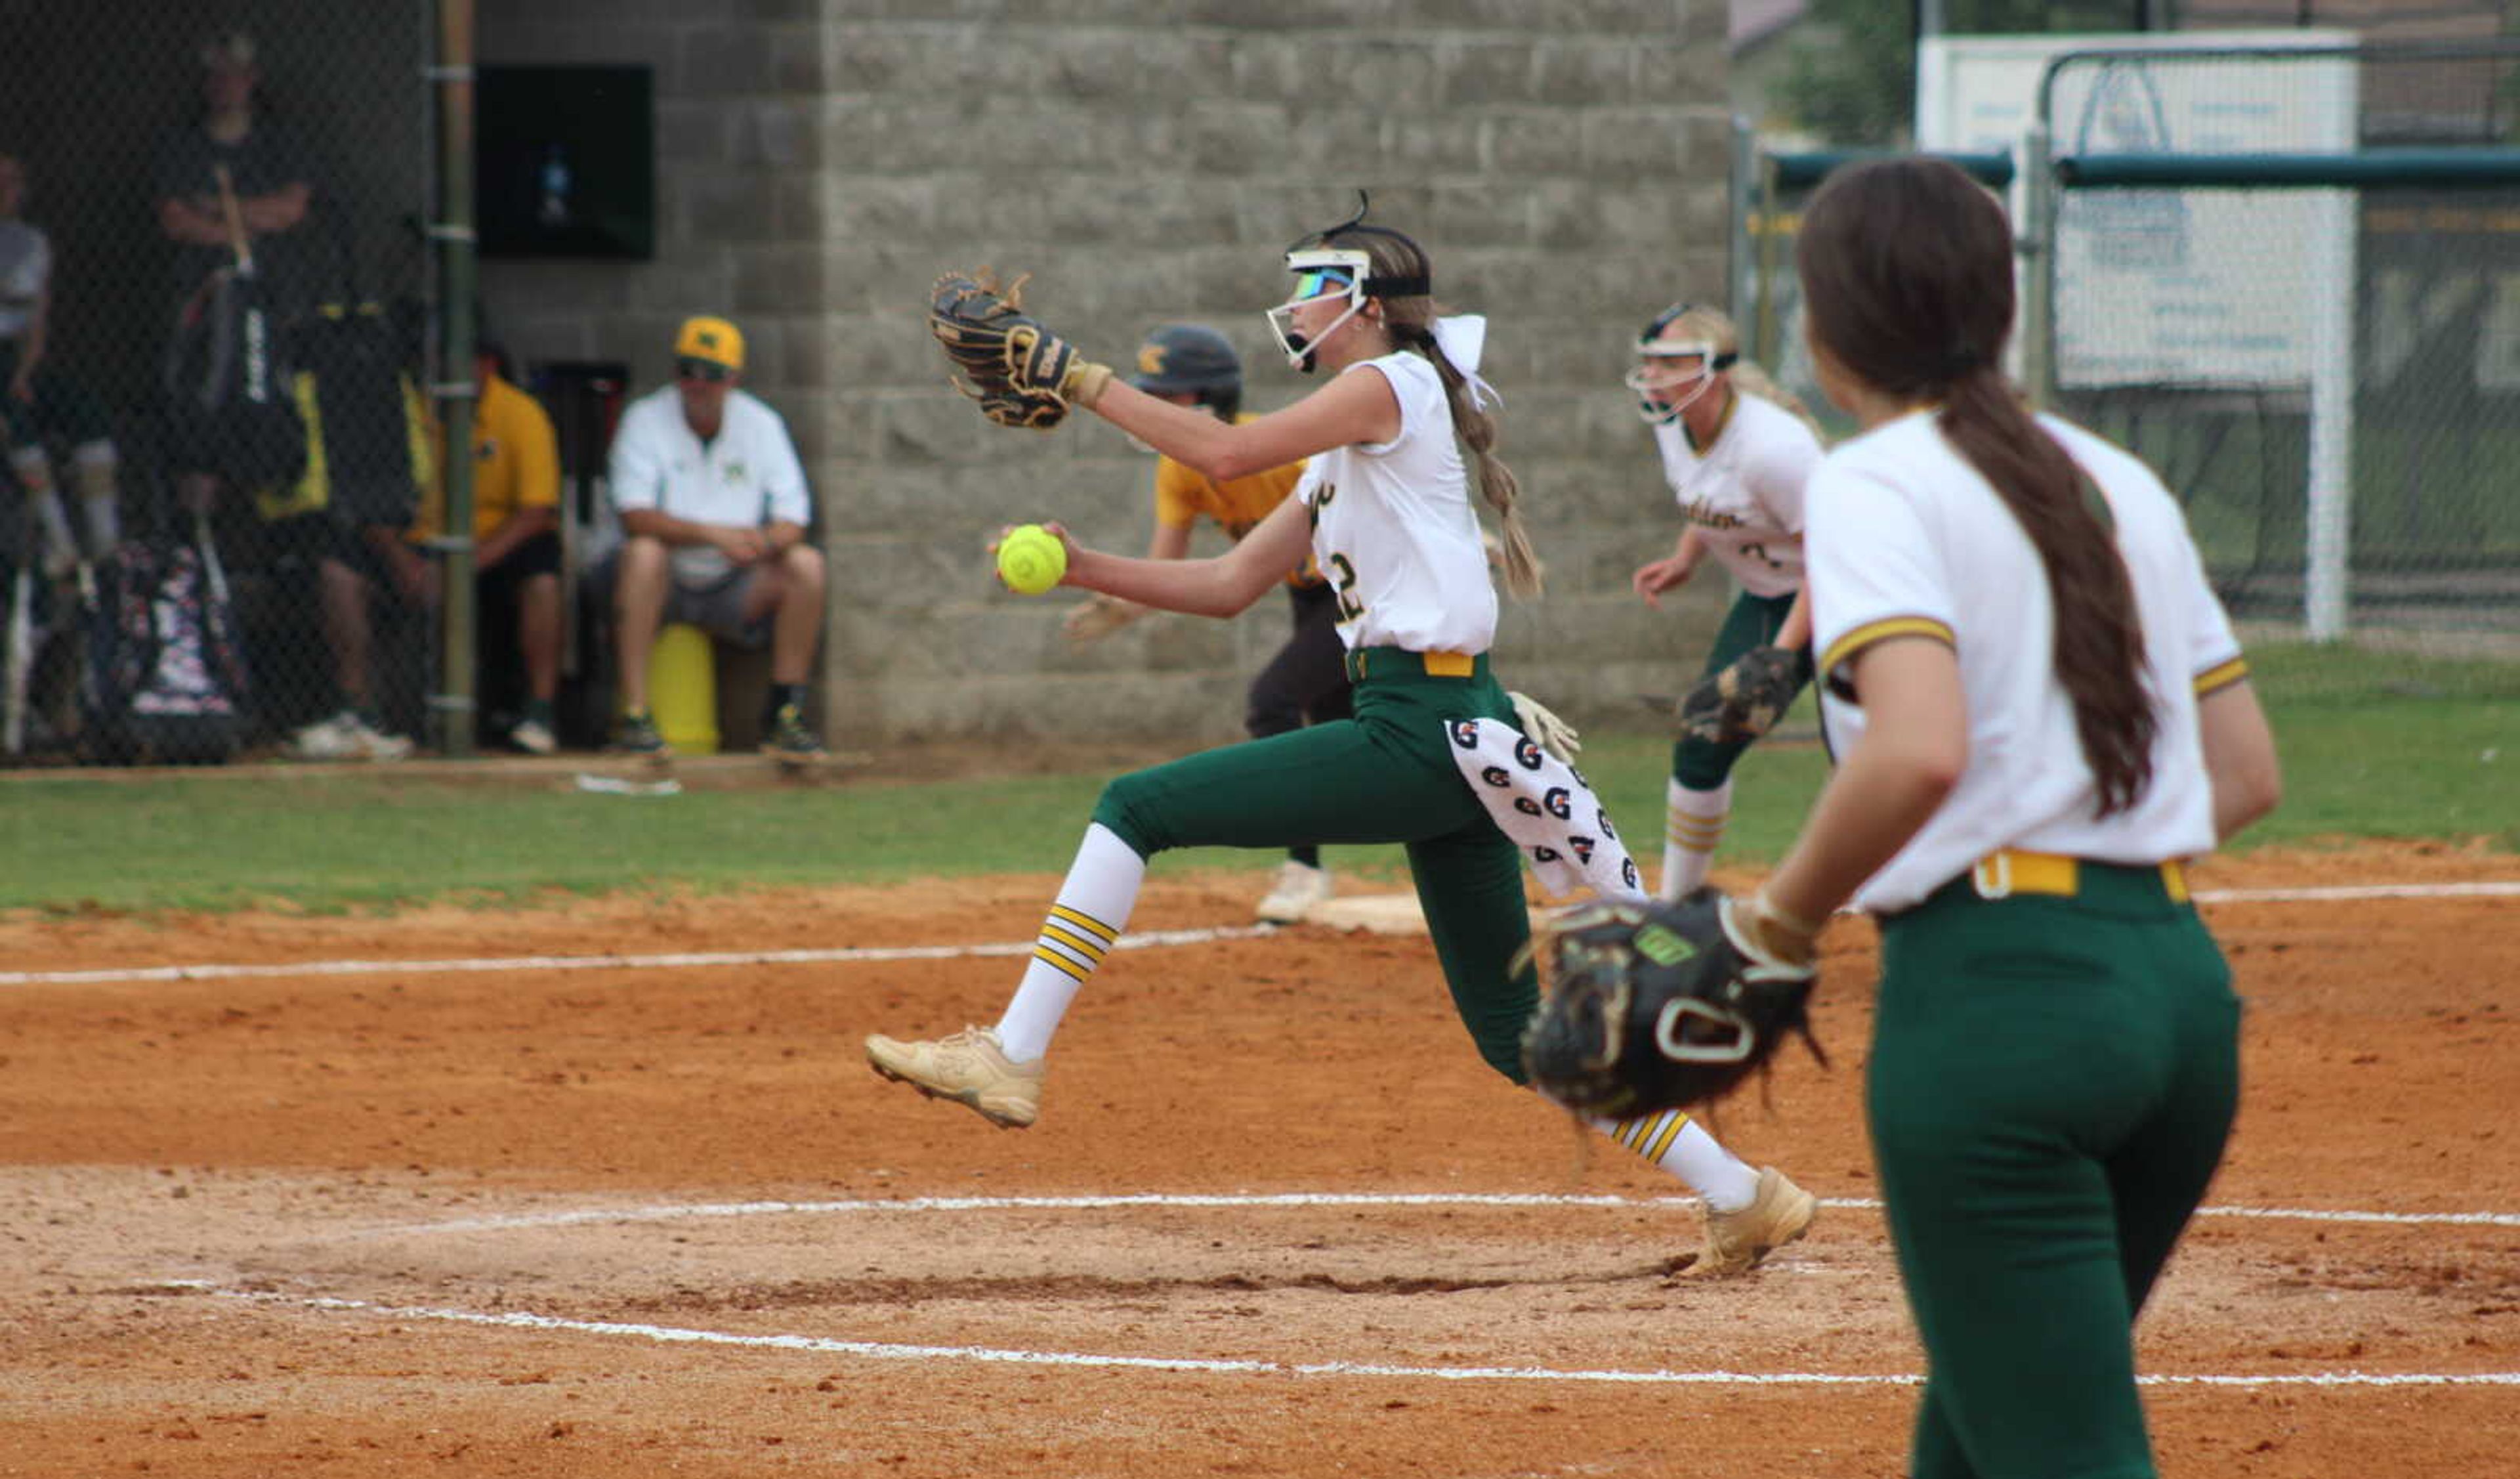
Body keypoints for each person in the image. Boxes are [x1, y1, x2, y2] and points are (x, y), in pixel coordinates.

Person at [870, 205, 1815, 1277]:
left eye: (1312, 284)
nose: (1294, 303)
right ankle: (1744, 1195)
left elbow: (1221, 446)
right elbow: (1229, 587)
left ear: (1363, 303)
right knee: (1515, 1035)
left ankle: (1013, 1053)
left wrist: (1078, 374)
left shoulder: (1394, 383)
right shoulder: (1344, 450)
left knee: (1136, 806)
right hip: (1452, 737)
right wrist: (1090, 568)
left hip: (1420, 729)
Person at [1728, 156, 2282, 1479]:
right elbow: (2241, 774)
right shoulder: (2123, 477)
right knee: (1977, 1476)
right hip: (2172, 992)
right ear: (1998, 304)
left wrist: (1772, 923)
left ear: (1827, 330)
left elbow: (1914, 745)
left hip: (1993, 1008)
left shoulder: (1871, 477)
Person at [1062, 322, 1349, 924]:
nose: (1155, 411)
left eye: (1169, 397)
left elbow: (1371, 482)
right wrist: (1116, 607)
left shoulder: (1271, 450)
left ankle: (1303, 869)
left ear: (1208, 399)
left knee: (1274, 703)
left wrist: (1463, 537)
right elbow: (1166, 567)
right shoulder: (1179, 470)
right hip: (1311, 599)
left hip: (1366, 593)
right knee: (1337, 724)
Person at [1626, 303, 1826, 901]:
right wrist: (1687, 558)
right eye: (1649, 362)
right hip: (1773, 595)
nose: (1653, 376)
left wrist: (1783, 655)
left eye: (1669, 363)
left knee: (1864, 748)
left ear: (1713, 369)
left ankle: (1897, 892)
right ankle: (1678, 903)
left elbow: (1834, 550)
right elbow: (1709, 497)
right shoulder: (1673, 425)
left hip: (1850, 590)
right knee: (1703, 739)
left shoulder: (1773, 448)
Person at [602, 315, 826, 763]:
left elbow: (793, 519)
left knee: (806, 565)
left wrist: (761, 543)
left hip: (733, 582)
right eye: (688, 371)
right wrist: (710, 534)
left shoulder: (761, 424)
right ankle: (636, 715)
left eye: (712, 375)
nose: (698, 385)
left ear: (733, 379)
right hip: (661, 581)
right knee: (644, 554)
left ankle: (784, 715)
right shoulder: (646, 419)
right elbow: (634, 516)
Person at [356, 328, 565, 755]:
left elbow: (537, 512)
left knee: (543, 573)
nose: (439, 373)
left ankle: (539, 713)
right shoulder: (404, 409)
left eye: (456, 361)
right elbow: (366, 504)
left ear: (487, 365)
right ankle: (359, 716)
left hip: (494, 546)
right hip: (417, 545)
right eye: (433, 362)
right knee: (342, 567)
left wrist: (460, 566)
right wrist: (403, 562)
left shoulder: (521, 412)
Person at [154, 26, 314, 519]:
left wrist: (222, 209)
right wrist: (241, 226)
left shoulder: (280, 142)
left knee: (267, 403)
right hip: (204, 298)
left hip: (270, 299)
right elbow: (176, 220)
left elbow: (291, 209)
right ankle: (197, 540)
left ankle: (275, 536)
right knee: (201, 409)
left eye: (235, 74)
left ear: (253, 79)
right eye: (216, 75)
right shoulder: (183, 145)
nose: (225, 84)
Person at [0, 151, 121, 574]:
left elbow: (36, 315)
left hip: (17, 357)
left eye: (12, 181)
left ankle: (106, 544)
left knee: (88, 415)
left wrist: (26, 369)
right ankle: (60, 544)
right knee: (17, 425)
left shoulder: (31, 242)